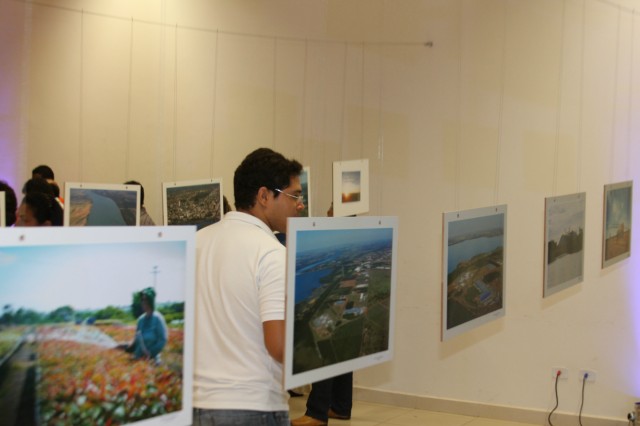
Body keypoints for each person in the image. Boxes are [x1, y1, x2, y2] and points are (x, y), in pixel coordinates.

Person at [193, 147, 304, 426]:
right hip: (253, 407)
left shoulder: (196, 243)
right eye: (295, 196)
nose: (300, 205)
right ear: (264, 196)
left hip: (195, 405)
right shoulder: (271, 253)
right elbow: (278, 345)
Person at [291, 202, 353, 426]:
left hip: (336, 299)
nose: (327, 212)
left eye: (331, 208)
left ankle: (316, 413)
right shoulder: (349, 237)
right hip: (344, 298)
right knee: (341, 354)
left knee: (322, 347)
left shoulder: (335, 238)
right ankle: (340, 407)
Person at [129, 287, 168, 363]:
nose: (142, 302)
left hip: (153, 361)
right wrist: (127, 348)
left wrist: (150, 353)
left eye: (145, 300)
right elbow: (137, 340)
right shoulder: (141, 320)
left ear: (150, 301)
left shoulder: (158, 319)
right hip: (138, 360)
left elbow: (162, 340)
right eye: (142, 300)